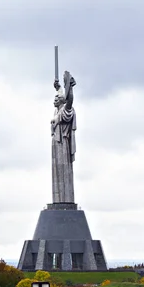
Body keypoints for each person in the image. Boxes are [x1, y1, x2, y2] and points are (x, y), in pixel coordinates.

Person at [51, 71, 77, 203]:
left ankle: (65, 200)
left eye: (57, 97)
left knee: (64, 174)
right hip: (56, 147)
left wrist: (70, 88)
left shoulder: (65, 111)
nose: (54, 99)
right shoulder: (57, 111)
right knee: (56, 174)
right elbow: (62, 96)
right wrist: (59, 88)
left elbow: (69, 101)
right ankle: (58, 200)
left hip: (62, 147)